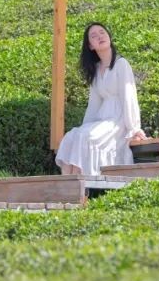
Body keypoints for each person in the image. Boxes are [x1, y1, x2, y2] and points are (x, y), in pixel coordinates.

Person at [55, 22, 150, 180]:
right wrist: (84, 126)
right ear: (90, 46)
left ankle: (79, 185)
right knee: (72, 137)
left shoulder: (121, 64)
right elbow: (94, 105)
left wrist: (134, 128)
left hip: (117, 121)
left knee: (86, 137)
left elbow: (129, 97)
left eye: (102, 32)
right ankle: (68, 186)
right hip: (101, 119)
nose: (99, 36)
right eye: (94, 36)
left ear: (109, 36)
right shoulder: (96, 69)